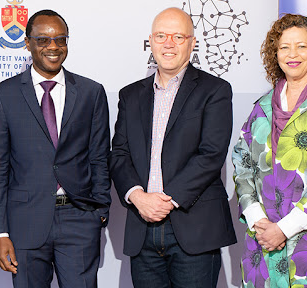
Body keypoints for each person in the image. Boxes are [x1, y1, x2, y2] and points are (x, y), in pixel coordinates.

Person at [109, 7, 237, 288]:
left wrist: (166, 200)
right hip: (142, 229)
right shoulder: (130, 95)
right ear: (151, 42)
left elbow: (211, 153)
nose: (169, 43)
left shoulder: (215, 90)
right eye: (161, 36)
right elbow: (119, 154)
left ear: (192, 43)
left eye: (178, 36)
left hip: (194, 227)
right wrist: (138, 197)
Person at [0, 9, 111, 288]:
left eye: (60, 39)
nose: (53, 47)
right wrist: (0, 232)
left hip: (79, 219)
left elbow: (100, 156)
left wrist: (99, 209)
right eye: (43, 40)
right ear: (27, 43)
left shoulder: (92, 92)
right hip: (24, 222)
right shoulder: (2, 95)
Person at [232, 13, 307, 288]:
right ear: (275, 54)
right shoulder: (261, 109)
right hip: (261, 242)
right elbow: (242, 163)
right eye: (284, 47)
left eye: (301, 46)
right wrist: (257, 218)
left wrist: (283, 229)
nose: (293, 54)